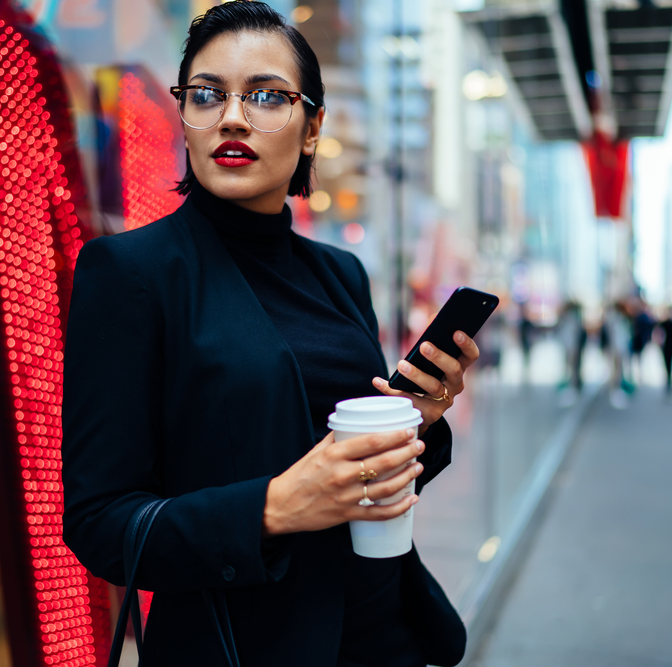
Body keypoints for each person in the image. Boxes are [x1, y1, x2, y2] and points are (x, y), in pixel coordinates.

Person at [60, 4, 471, 666]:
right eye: (206, 94)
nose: (232, 116)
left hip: (385, 638)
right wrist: (273, 506)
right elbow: (100, 523)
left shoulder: (341, 274)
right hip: (242, 646)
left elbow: (351, 470)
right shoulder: (130, 274)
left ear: (312, 129)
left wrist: (413, 421)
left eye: (266, 96)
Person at [657, 306, 672, 393]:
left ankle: (669, 379)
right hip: (667, 345)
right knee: (667, 363)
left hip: (671, 345)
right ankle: (668, 379)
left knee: (670, 364)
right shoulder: (666, 323)